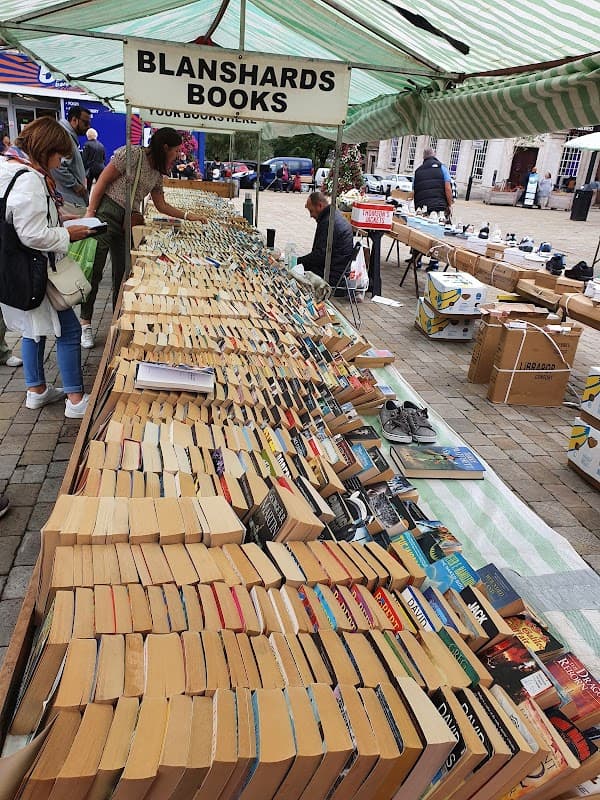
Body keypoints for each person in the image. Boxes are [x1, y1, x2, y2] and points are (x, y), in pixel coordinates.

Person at [0, 117, 92, 418]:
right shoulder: (29, 179)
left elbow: (22, 221)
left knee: (32, 330)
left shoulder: (8, 168)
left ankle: (36, 390)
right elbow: (32, 234)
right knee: (67, 330)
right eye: (58, 155)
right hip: (36, 269)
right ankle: (76, 400)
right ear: (45, 149)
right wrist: (68, 233)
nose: (59, 162)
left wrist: (57, 219)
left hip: (16, 269)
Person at [81, 127, 206, 347]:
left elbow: (161, 204)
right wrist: (91, 211)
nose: (178, 155)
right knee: (95, 269)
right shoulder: (131, 155)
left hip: (129, 220)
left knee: (123, 273)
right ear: (164, 147)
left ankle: (117, 320)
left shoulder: (158, 171)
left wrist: (189, 216)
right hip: (107, 213)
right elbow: (102, 180)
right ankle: (85, 323)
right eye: (176, 150)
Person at [297, 191, 354, 286]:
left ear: (319, 206)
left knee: (294, 274)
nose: (311, 215)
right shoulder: (332, 215)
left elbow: (319, 256)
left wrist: (297, 262)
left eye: (311, 211)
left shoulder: (329, 222)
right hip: (339, 269)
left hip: (331, 275)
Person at [52, 105, 91, 216]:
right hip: (69, 200)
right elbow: (57, 166)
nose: (88, 127)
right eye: (85, 123)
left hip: (71, 199)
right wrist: (75, 185)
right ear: (74, 120)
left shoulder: (68, 136)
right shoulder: (64, 137)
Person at [413, 147, 453, 218]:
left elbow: (414, 190)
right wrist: (449, 205)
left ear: (423, 157)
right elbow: (448, 188)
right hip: (439, 207)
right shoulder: (442, 167)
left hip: (422, 209)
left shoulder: (417, 171)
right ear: (434, 155)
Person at [82, 127, 106, 193]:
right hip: (101, 168)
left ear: (88, 135)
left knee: (88, 188)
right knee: (100, 188)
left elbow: (84, 158)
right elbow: (104, 158)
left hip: (91, 169)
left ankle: (88, 202)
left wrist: (83, 170)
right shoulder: (101, 145)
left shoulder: (87, 145)